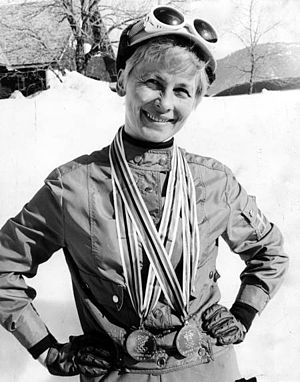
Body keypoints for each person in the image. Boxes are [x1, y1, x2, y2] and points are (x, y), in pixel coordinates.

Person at [0, 5, 288, 382]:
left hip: (210, 370)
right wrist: (47, 351)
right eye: (153, 82)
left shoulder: (214, 182)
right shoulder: (72, 186)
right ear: (123, 81)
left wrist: (243, 313)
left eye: (182, 90)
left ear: (196, 100)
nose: (165, 103)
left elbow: (270, 253)